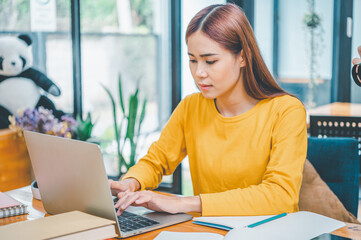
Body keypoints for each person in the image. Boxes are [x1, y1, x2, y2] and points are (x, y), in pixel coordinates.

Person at [109, 3, 307, 216]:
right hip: (208, 232)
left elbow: (281, 196)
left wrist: (182, 203)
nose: (199, 72)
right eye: (192, 60)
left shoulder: (286, 111)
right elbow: (156, 161)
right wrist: (131, 182)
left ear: (243, 56)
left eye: (210, 61)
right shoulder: (191, 107)